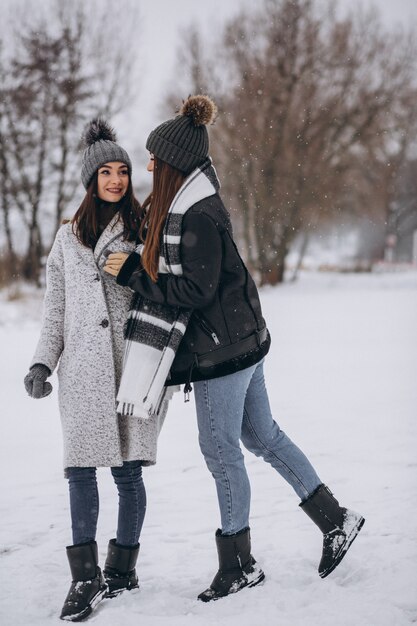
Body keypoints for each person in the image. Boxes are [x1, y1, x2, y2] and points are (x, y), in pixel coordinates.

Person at [104, 95, 365, 603]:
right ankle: (337, 519)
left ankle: (239, 564)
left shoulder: (196, 214)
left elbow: (195, 293)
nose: (149, 163)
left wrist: (136, 276)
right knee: (262, 436)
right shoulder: (185, 204)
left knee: (221, 451)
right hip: (242, 340)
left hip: (223, 351)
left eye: (155, 156)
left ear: (174, 161)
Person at [24, 120, 165, 622]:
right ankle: (85, 577)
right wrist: (43, 361)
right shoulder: (67, 238)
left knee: (128, 474)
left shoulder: (147, 225)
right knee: (79, 471)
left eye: (122, 171)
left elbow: (165, 292)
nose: (115, 179)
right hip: (82, 370)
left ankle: (122, 570)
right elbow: (55, 308)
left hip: (135, 364)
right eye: (105, 171)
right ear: (91, 178)